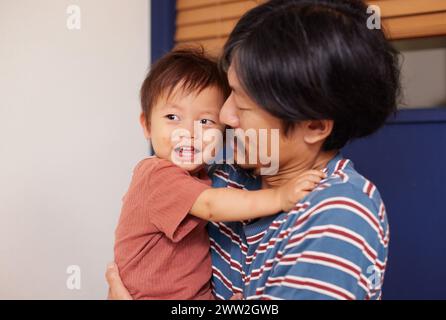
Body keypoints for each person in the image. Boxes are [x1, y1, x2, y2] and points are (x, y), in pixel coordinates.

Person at [107, 0, 400, 300]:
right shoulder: (222, 175)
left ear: (313, 126)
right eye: (230, 92)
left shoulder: (339, 213)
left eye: (243, 105)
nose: (225, 116)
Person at [114, 48, 325, 300]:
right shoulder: (158, 174)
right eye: (172, 117)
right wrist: (280, 198)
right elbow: (212, 205)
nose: (189, 132)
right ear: (147, 125)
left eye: (205, 121)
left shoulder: (205, 173)